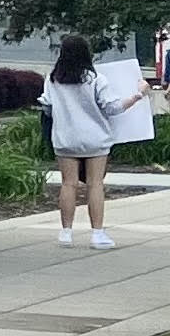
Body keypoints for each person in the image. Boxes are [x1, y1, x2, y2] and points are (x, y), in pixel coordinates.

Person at [39, 34, 122, 249]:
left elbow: (47, 108)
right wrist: (138, 95)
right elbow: (112, 108)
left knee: (68, 184)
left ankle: (66, 232)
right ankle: (97, 233)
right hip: (95, 138)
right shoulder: (95, 79)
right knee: (95, 184)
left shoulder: (53, 79)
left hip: (65, 138)